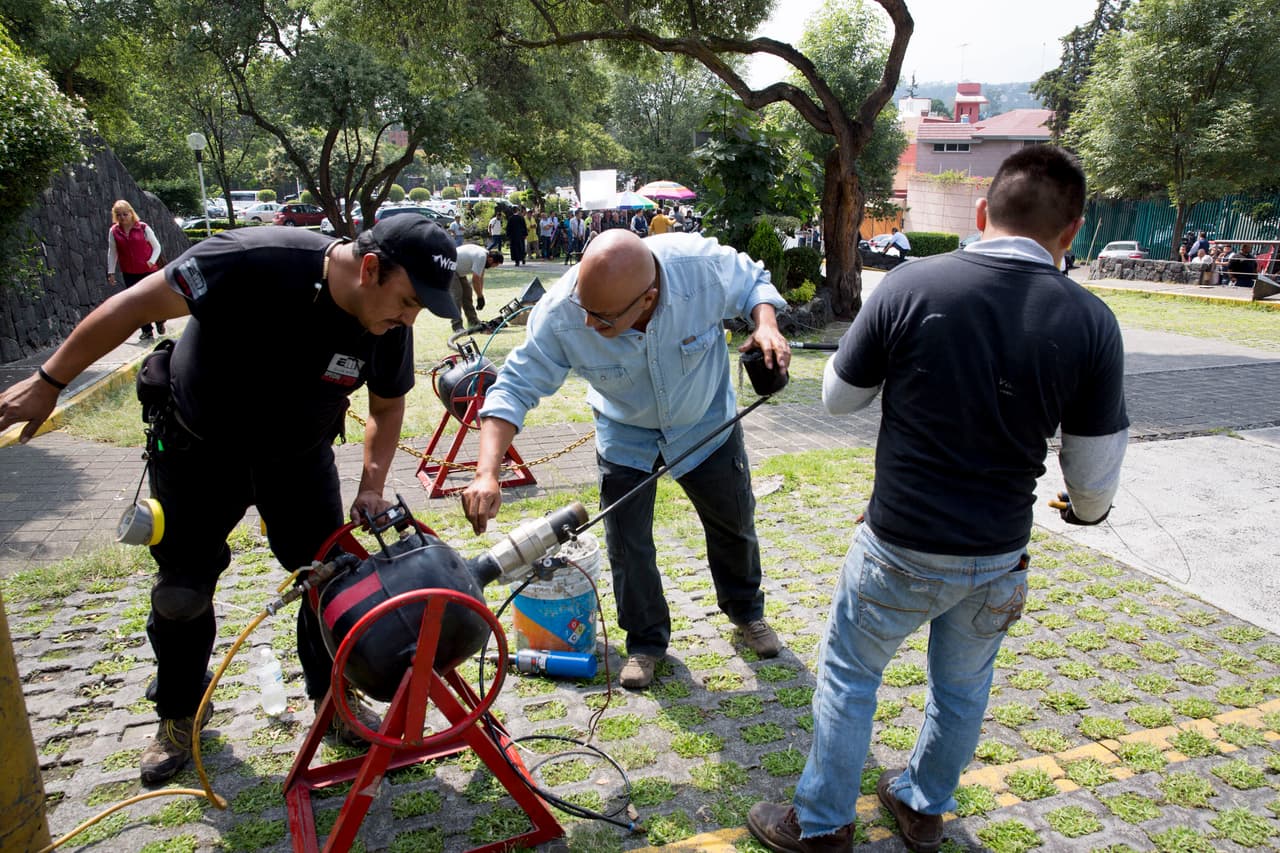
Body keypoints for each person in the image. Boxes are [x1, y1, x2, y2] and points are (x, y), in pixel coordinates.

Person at [747, 146, 1128, 853]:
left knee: (850, 675)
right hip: (996, 557)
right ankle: (922, 804)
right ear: (1072, 231)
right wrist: (1087, 510)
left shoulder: (910, 284)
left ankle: (824, 823)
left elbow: (836, 399)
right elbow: (1094, 484)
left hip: (896, 544)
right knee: (962, 689)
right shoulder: (1092, 321)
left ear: (983, 214)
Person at [0, 216, 461, 785]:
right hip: (197, 452)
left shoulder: (386, 326)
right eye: (409, 300)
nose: (409, 319)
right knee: (180, 593)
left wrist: (370, 485)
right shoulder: (250, 258)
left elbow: (387, 408)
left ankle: (334, 702)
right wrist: (47, 382)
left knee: (328, 582)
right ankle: (179, 713)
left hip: (298, 459)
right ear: (370, 268)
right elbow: (131, 308)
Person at [460, 230, 792, 689]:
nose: (590, 326)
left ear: (649, 297)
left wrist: (767, 324)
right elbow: (514, 387)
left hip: (705, 423)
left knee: (733, 523)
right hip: (624, 433)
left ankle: (746, 613)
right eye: (586, 310)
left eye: (604, 318)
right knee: (627, 543)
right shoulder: (562, 312)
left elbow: (755, 282)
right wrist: (486, 472)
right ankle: (645, 643)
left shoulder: (701, 267)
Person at [107, 200, 167, 341]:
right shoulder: (114, 231)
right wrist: (111, 271)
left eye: (125, 214)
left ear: (131, 213)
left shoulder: (143, 228)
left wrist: (151, 261)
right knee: (136, 303)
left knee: (152, 300)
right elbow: (112, 252)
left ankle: (159, 320)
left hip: (148, 270)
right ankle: (146, 330)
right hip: (129, 272)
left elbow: (157, 246)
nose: (122, 217)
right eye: (119, 215)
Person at [452, 243, 503, 331]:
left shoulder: (485, 255)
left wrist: (481, 295)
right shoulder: (481, 257)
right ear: (490, 260)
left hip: (458, 271)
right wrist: (480, 297)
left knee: (467, 293)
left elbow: (480, 278)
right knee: (457, 295)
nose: (493, 268)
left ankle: (473, 321)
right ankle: (457, 326)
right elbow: (475, 280)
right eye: (495, 265)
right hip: (449, 268)